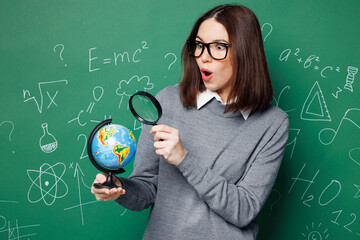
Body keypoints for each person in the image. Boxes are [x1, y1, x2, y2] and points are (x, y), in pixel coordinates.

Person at [91, 4, 289, 240]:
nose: (204, 56)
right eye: (199, 45)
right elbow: (145, 189)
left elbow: (244, 210)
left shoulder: (272, 124)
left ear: (245, 53)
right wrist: (118, 189)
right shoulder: (167, 101)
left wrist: (184, 159)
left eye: (218, 47)